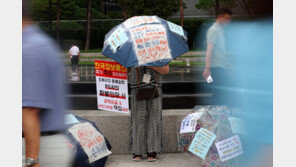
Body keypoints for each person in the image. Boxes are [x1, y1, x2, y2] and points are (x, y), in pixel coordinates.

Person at [22, 1, 73, 166]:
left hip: (36, 148)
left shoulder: (28, 49)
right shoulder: (41, 43)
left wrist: (32, 161)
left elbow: (29, 111)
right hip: (47, 143)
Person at [128, 65, 169, 162]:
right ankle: (137, 150)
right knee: (137, 118)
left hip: (155, 87)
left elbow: (165, 70)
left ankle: (153, 150)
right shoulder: (131, 51)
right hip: (136, 88)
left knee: (154, 118)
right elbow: (124, 72)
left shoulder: (159, 51)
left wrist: (151, 65)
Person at [202, 8, 233, 105]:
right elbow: (209, 49)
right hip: (216, 67)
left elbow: (222, 51)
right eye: (227, 18)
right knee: (219, 93)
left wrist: (229, 66)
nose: (229, 21)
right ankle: (215, 116)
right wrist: (207, 68)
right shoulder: (213, 30)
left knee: (221, 93)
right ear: (220, 16)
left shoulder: (220, 31)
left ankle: (217, 115)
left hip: (221, 67)